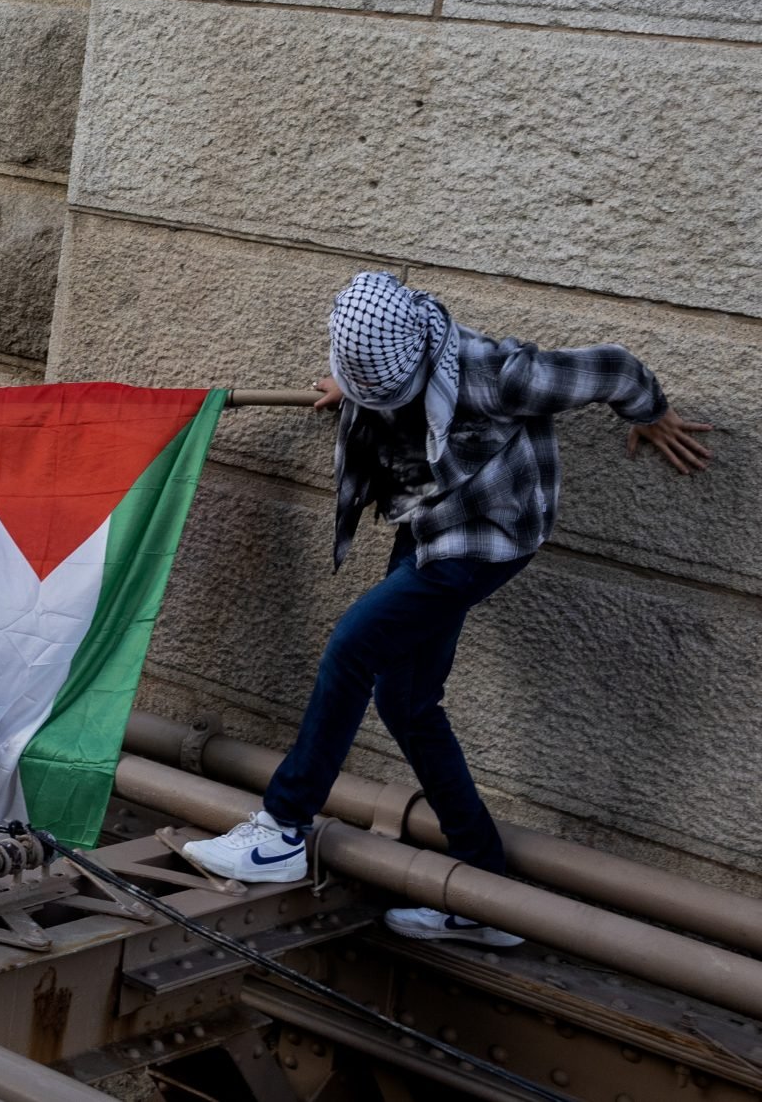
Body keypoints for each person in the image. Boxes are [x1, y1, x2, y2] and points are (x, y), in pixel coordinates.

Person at [183, 272, 713, 943]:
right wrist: (351, 387)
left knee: (353, 646)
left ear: (420, 356)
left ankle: (283, 829)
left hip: (483, 542)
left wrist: (650, 409)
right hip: (430, 523)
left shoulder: (497, 374)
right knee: (406, 703)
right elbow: (372, 374)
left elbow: (613, 367)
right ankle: (486, 895)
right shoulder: (386, 353)